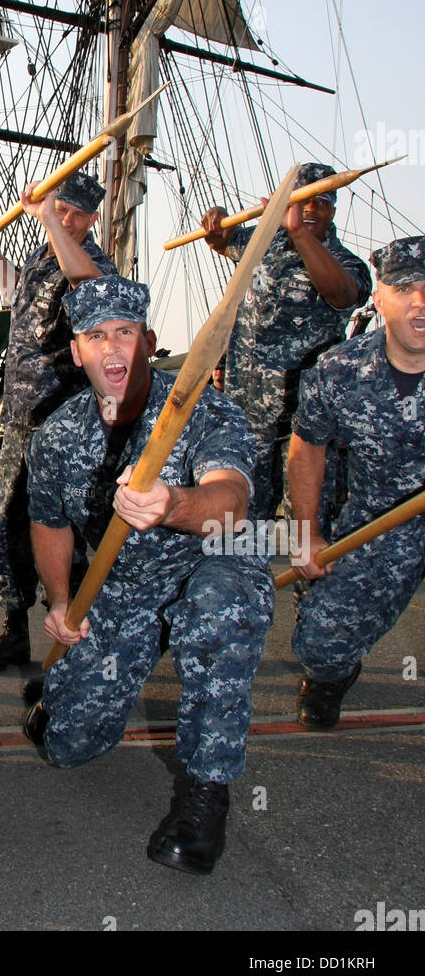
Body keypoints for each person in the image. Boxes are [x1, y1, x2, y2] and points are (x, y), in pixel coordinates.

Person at [22, 276, 269, 875]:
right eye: (96, 336)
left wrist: (173, 505)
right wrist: (59, 601)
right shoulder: (56, 435)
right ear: (76, 350)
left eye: (125, 334)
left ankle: (204, 795)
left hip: (207, 565)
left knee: (219, 606)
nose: (111, 350)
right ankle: (70, 697)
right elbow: (48, 522)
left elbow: (232, 498)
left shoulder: (203, 409)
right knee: (66, 746)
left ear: (148, 341)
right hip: (124, 588)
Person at [0, 171, 118, 672]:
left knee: (65, 527)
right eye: (62, 210)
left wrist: (49, 217)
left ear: (92, 218)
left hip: (64, 423)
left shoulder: (93, 261)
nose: (67, 220)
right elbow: (20, 302)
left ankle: (75, 640)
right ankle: (15, 630)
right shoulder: (40, 259)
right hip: (20, 419)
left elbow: (91, 290)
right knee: (9, 524)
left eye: (76, 213)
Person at [287, 234, 425, 730]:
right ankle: (331, 675)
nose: (421, 302)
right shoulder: (339, 371)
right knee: (319, 641)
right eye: (406, 287)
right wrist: (307, 535)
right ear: (380, 298)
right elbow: (307, 450)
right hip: (380, 518)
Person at [200, 162, 371, 521]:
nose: (310, 210)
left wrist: (299, 233)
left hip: (305, 416)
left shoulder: (345, 263)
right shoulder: (263, 241)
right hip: (247, 408)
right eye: (300, 201)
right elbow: (222, 241)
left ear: (333, 210)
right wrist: (216, 220)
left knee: (307, 516)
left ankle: (307, 573)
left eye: (320, 202)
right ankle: (250, 576)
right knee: (243, 516)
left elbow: (342, 295)